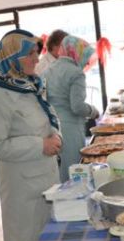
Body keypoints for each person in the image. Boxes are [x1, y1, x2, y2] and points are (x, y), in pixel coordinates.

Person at [0, 29, 61, 241]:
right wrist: (40, 145)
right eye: (30, 54)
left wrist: (57, 136)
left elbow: (48, 118)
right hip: (22, 190)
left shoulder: (30, 86)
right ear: (12, 56)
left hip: (46, 179)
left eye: (37, 53)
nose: (36, 59)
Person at [42, 35, 99, 182]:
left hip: (53, 128)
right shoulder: (75, 73)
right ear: (76, 53)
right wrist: (93, 111)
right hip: (71, 129)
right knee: (76, 172)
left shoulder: (49, 70)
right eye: (86, 56)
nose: (87, 62)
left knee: (62, 173)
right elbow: (77, 106)